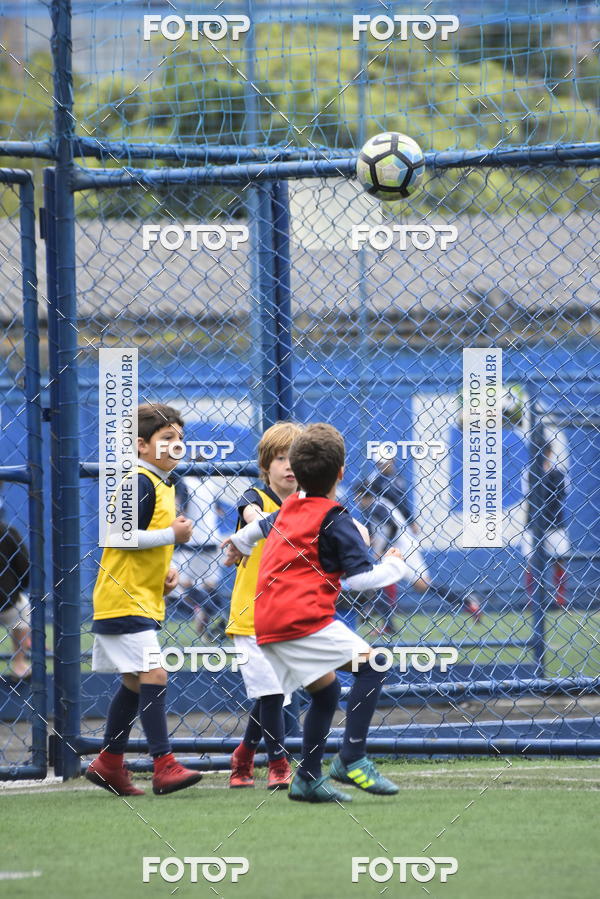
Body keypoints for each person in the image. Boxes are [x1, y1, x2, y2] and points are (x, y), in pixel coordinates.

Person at [222, 423, 409, 804]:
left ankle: (307, 777)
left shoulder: (287, 509)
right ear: (341, 473)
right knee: (374, 666)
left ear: (298, 471)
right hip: (301, 620)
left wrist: (237, 544)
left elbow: (254, 530)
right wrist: (395, 566)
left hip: (266, 621)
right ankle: (351, 758)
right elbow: (359, 581)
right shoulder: (336, 519)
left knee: (327, 691)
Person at [86, 403, 202, 797]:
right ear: (140, 445)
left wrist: (163, 576)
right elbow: (119, 536)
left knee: (135, 682)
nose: (177, 445)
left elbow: (141, 546)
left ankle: (109, 763)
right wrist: (173, 536)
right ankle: (164, 765)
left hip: (136, 600)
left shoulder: (161, 483)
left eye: (180, 438)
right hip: (123, 600)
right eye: (167, 438)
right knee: (154, 674)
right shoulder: (139, 481)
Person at [225, 421, 303, 790]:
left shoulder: (310, 504)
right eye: (281, 458)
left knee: (271, 695)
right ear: (265, 465)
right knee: (271, 692)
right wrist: (255, 529)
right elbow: (253, 516)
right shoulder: (254, 497)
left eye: (296, 459)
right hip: (251, 615)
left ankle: (243, 755)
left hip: (290, 617)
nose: (289, 466)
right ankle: (277, 763)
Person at [354, 482, 483, 624]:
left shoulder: (377, 507)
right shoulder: (374, 506)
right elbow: (376, 529)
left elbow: (393, 527)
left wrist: (383, 549)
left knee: (418, 584)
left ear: (363, 496)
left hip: (402, 548)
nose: (356, 501)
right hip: (401, 546)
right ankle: (468, 603)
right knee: (392, 583)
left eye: (357, 497)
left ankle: (468, 603)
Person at [523, 441, 569, 607]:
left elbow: (559, 494)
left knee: (559, 560)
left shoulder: (559, 473)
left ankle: (560, 599)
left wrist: (547, 477)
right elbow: (532, 494)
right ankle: (532, 599)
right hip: (534, 524)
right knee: (531, 562)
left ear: (550, 453)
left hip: (555, 524)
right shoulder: (530, 472)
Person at [0, 523, 31, 680]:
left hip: (6, 600)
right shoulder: (6, 531)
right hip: (6, 600)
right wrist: (18, 588)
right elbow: (24, 566)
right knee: (22, 606)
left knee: (22, 606)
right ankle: (19, 663)